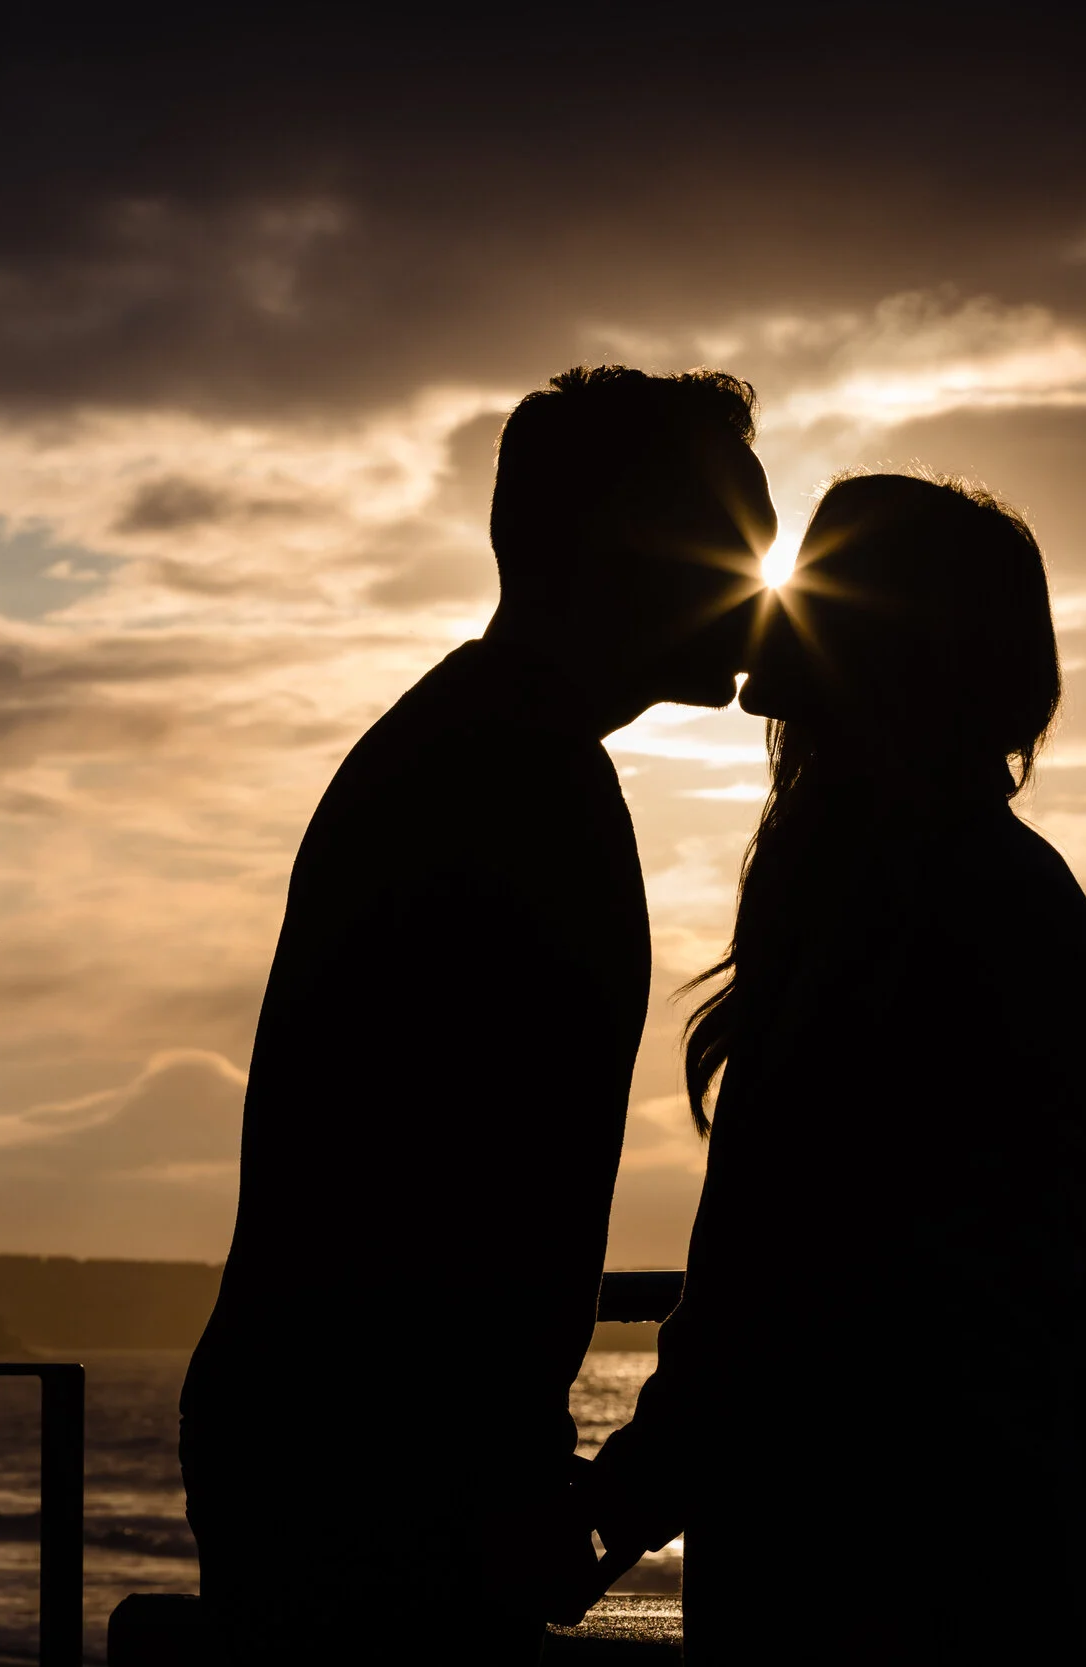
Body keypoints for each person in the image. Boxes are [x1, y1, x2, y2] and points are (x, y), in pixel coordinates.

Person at [181, 367, 773, 1665]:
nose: (764, 583)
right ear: (628, 550)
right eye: (736, 544)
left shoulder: (470, 745)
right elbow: (463, 1198)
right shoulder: (519, 780)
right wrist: (515, 1502)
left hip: (332, 1457)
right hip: (383, 1490)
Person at [584, 474, 1086, 1663]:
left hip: (886, 1594)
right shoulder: (982, 907)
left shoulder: (932, 918)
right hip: (960, 1580)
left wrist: (625, 1493)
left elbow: (800, 1279)